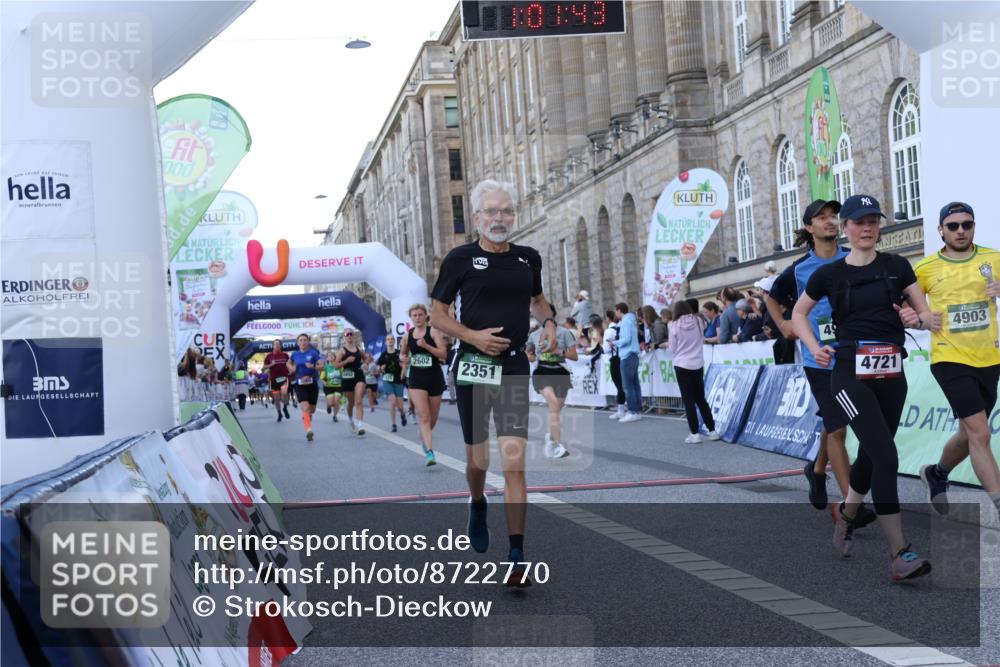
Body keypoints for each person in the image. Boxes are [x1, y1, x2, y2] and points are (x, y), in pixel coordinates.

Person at [793, 193, 933, 581]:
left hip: (892, 372)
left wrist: (916, 318)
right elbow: (798, 313)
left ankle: (847, 512)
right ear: (846, 228)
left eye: (873, 221)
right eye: (859, 222)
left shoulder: (897, 266)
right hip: (849, 374)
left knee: (873, 454)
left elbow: (924, 315)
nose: (867, 228)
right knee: (886, 456)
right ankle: (900, 553)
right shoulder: (830, 274)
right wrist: (814, 347)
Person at [430, 178, 557, 586]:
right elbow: (437, 315)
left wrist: (549, 322)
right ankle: (477, 500)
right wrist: (473, 337)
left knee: (515, 462)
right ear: (477, 218)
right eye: (491, 212)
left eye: (506, 211)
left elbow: (538, 300)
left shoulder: (527, 258)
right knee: (478, 462)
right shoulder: (460, 259)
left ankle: (517, 556)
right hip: (473, 365)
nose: (499, 218)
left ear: (513, 215)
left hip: (515, 364)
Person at [767, 198, 870, 521]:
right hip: (819, 360)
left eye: (833, 216)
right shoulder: (799, 269)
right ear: (809, 227)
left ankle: (816, 469)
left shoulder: (853, 258)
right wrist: (783, 324)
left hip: (854, 356)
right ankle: (851, 506)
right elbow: (772, 297)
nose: (829, 221)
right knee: (838, 430)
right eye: (821, 217)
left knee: (834, 421)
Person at [912, 201, 1000, 519]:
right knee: (980, 433)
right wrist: (919, 319)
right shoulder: (925, 268)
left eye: (967, 224)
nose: (960, 231)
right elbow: (904, 308)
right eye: (953, 226)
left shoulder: (993, 258)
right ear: (941, 230)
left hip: (988, 357)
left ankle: (936, 473)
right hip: (949, 358)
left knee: (969, 433)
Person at [527, 304, 577, 459]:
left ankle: (551, 437)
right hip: (542, 372)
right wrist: (532, 357)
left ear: (552, 315)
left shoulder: (564, 333)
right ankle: (555, 446)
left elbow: (575, 356)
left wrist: (559, 352)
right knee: (554, 405)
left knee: (557, 409)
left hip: (561, 373)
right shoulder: (534, 335)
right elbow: (529, 354)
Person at [401, 303, 447, 466]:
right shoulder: (407, 336)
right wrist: (404, 359)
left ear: (426, 316)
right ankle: (430, 452)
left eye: (420, 315)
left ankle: (423, 436)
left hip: (434, 378)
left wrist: (426, 346)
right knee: (424, 416)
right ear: (411, 318)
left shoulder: (433, 332)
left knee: (432, 419)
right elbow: (402, 354)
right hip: (416, 379)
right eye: (414, 315)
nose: (418, 318)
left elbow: (443, 354)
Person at [669, 300, 720, 443]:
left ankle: (694, 434)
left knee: (689, 401)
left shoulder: (673, 325)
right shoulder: (698, 321)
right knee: (701, 399)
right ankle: (712, 431)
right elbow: (702, 334)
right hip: (697, 363)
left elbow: (672, 348)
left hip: (682, 364)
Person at [287, 334, 322, 442]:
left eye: (305, 340)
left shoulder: (313, 353)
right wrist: (292, 368)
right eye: (301, 340)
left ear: (308, 342)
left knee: (312, 410)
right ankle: (308, 430)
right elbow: (288, 363)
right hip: (299, 383)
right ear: (298, 343)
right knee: (305, 406)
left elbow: (322, 366)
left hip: (312, 383)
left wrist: (313, 366)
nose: (303, 342)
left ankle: (307, 416)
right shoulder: (294, 354)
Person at [333, 329, 367, 435]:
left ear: (354, 336)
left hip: (359, 375)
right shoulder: (342, 351)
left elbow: (366, 359)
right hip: (347, 377)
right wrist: (347, 361)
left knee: (358, 401)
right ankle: (351, 419)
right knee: (351, 402)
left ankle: (360, 425)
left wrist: (365, 364)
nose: (349, 336)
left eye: (351, 334)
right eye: (347, 334)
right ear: (344, 337)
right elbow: (335, 365)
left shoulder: (359, 349)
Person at [615, 302, 643, 423]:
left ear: (619, 310)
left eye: (616, 311)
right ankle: (637, 411)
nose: (616, 313)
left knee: (628, 386)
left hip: (627, 355)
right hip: (633, 354)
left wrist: (614, 342)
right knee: (635, 384)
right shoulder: (631, 320)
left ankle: (632, 411)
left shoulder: (626, 321)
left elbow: (626, 339)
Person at [378, 336, 407, 432]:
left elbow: (404, 364)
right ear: (385, 342)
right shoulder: (383, 355)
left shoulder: (399, 353)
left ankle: (402, 414)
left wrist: (403, 371)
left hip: (398, 381)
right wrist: (381, 368)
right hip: (387, 381)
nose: (390, 341)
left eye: (392, 339)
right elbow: (378, 369)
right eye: (388, 339)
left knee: (400, 406)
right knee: (393, 401)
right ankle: (393, 424)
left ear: (394, 342)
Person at [604, 309, 626, 419]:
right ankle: (626, 408)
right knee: (625, 384)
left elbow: (606, 349)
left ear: (608, 319)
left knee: (619, 384)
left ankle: (621, 410)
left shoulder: (609, 331)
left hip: (615, 359)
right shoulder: (623, 328)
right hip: (624, 357)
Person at [263, 340, 291, 422]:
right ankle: (279, 414)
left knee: (284, 393)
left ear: (280, 346)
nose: (277, 346)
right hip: (274, 379)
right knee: (276, 398)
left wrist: (291, 370)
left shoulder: (285, 355)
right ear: (273, 346)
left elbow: (290, 364)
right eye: (275, 344)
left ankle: (285, 407)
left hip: (284, 378)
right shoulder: (269, 356)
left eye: (278, 344)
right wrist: (271, 365)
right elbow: (264, 367)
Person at [320, 351, 343, 423]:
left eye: (332, 355)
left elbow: (343, 375)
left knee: (336, 401)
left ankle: (335, 416)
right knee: (331, 403)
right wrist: (325, 383)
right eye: (329, 356)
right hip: (328, 387)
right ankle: (328, 405)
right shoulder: (325, 367)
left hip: (338, 386)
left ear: (335, 357)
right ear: (327, 358)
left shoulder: (339, 366)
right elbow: (322, 378)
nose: (330, 356)